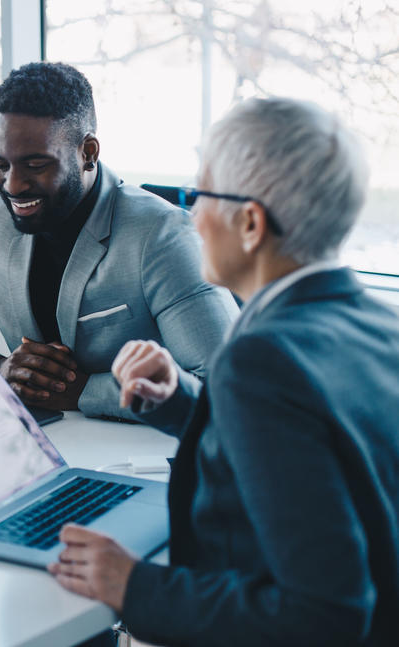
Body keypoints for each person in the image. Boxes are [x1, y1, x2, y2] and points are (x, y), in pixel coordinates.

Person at [50, 98, 399, 646]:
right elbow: (316, 450)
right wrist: (182, 402)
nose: (191, 215)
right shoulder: (378, 324)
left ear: (251, 222)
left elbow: (323, 614)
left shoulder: (262, 361)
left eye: (201, 195)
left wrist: (134, 586)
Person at [0, 62, 237, 420]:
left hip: (136, 452)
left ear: (88, 153)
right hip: (32, 445)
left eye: (35, 165)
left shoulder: (160, 234)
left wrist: (82, 392)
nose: (13, 185)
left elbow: (229, 385)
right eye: (1, 165)